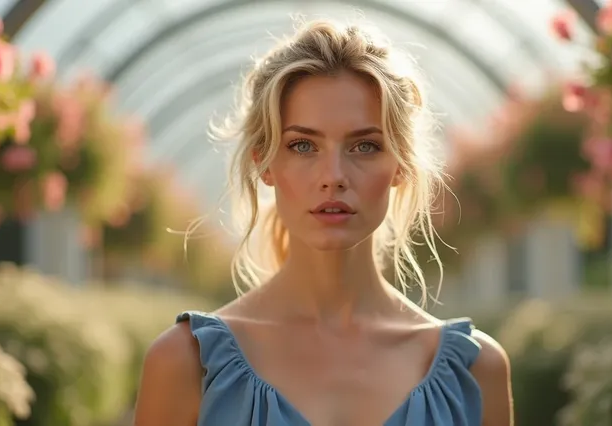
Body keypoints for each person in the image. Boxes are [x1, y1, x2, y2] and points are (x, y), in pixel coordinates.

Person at [134, 18, 513, 426]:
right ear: (264, 162)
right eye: (302, 145)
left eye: (365, 145)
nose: (333, 175)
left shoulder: (477, 370)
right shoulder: (184, 364)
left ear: (400, 164)